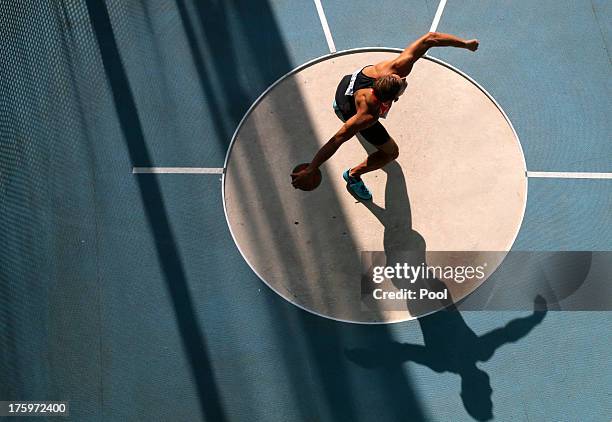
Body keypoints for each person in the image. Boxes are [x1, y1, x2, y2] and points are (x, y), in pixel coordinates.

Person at [291, 32, 479, 199]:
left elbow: (430, 38)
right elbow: (338, 138)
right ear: (391, 100)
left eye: (400, 79)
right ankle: (353, 175)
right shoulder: (369, 115)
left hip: (346, 87)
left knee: (351, 111)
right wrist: (312, 168)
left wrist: (465, 44)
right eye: (402, 84)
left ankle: (341, 107)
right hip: (350, 107)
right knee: (391, 153)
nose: (404, 79)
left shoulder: (393, 69)